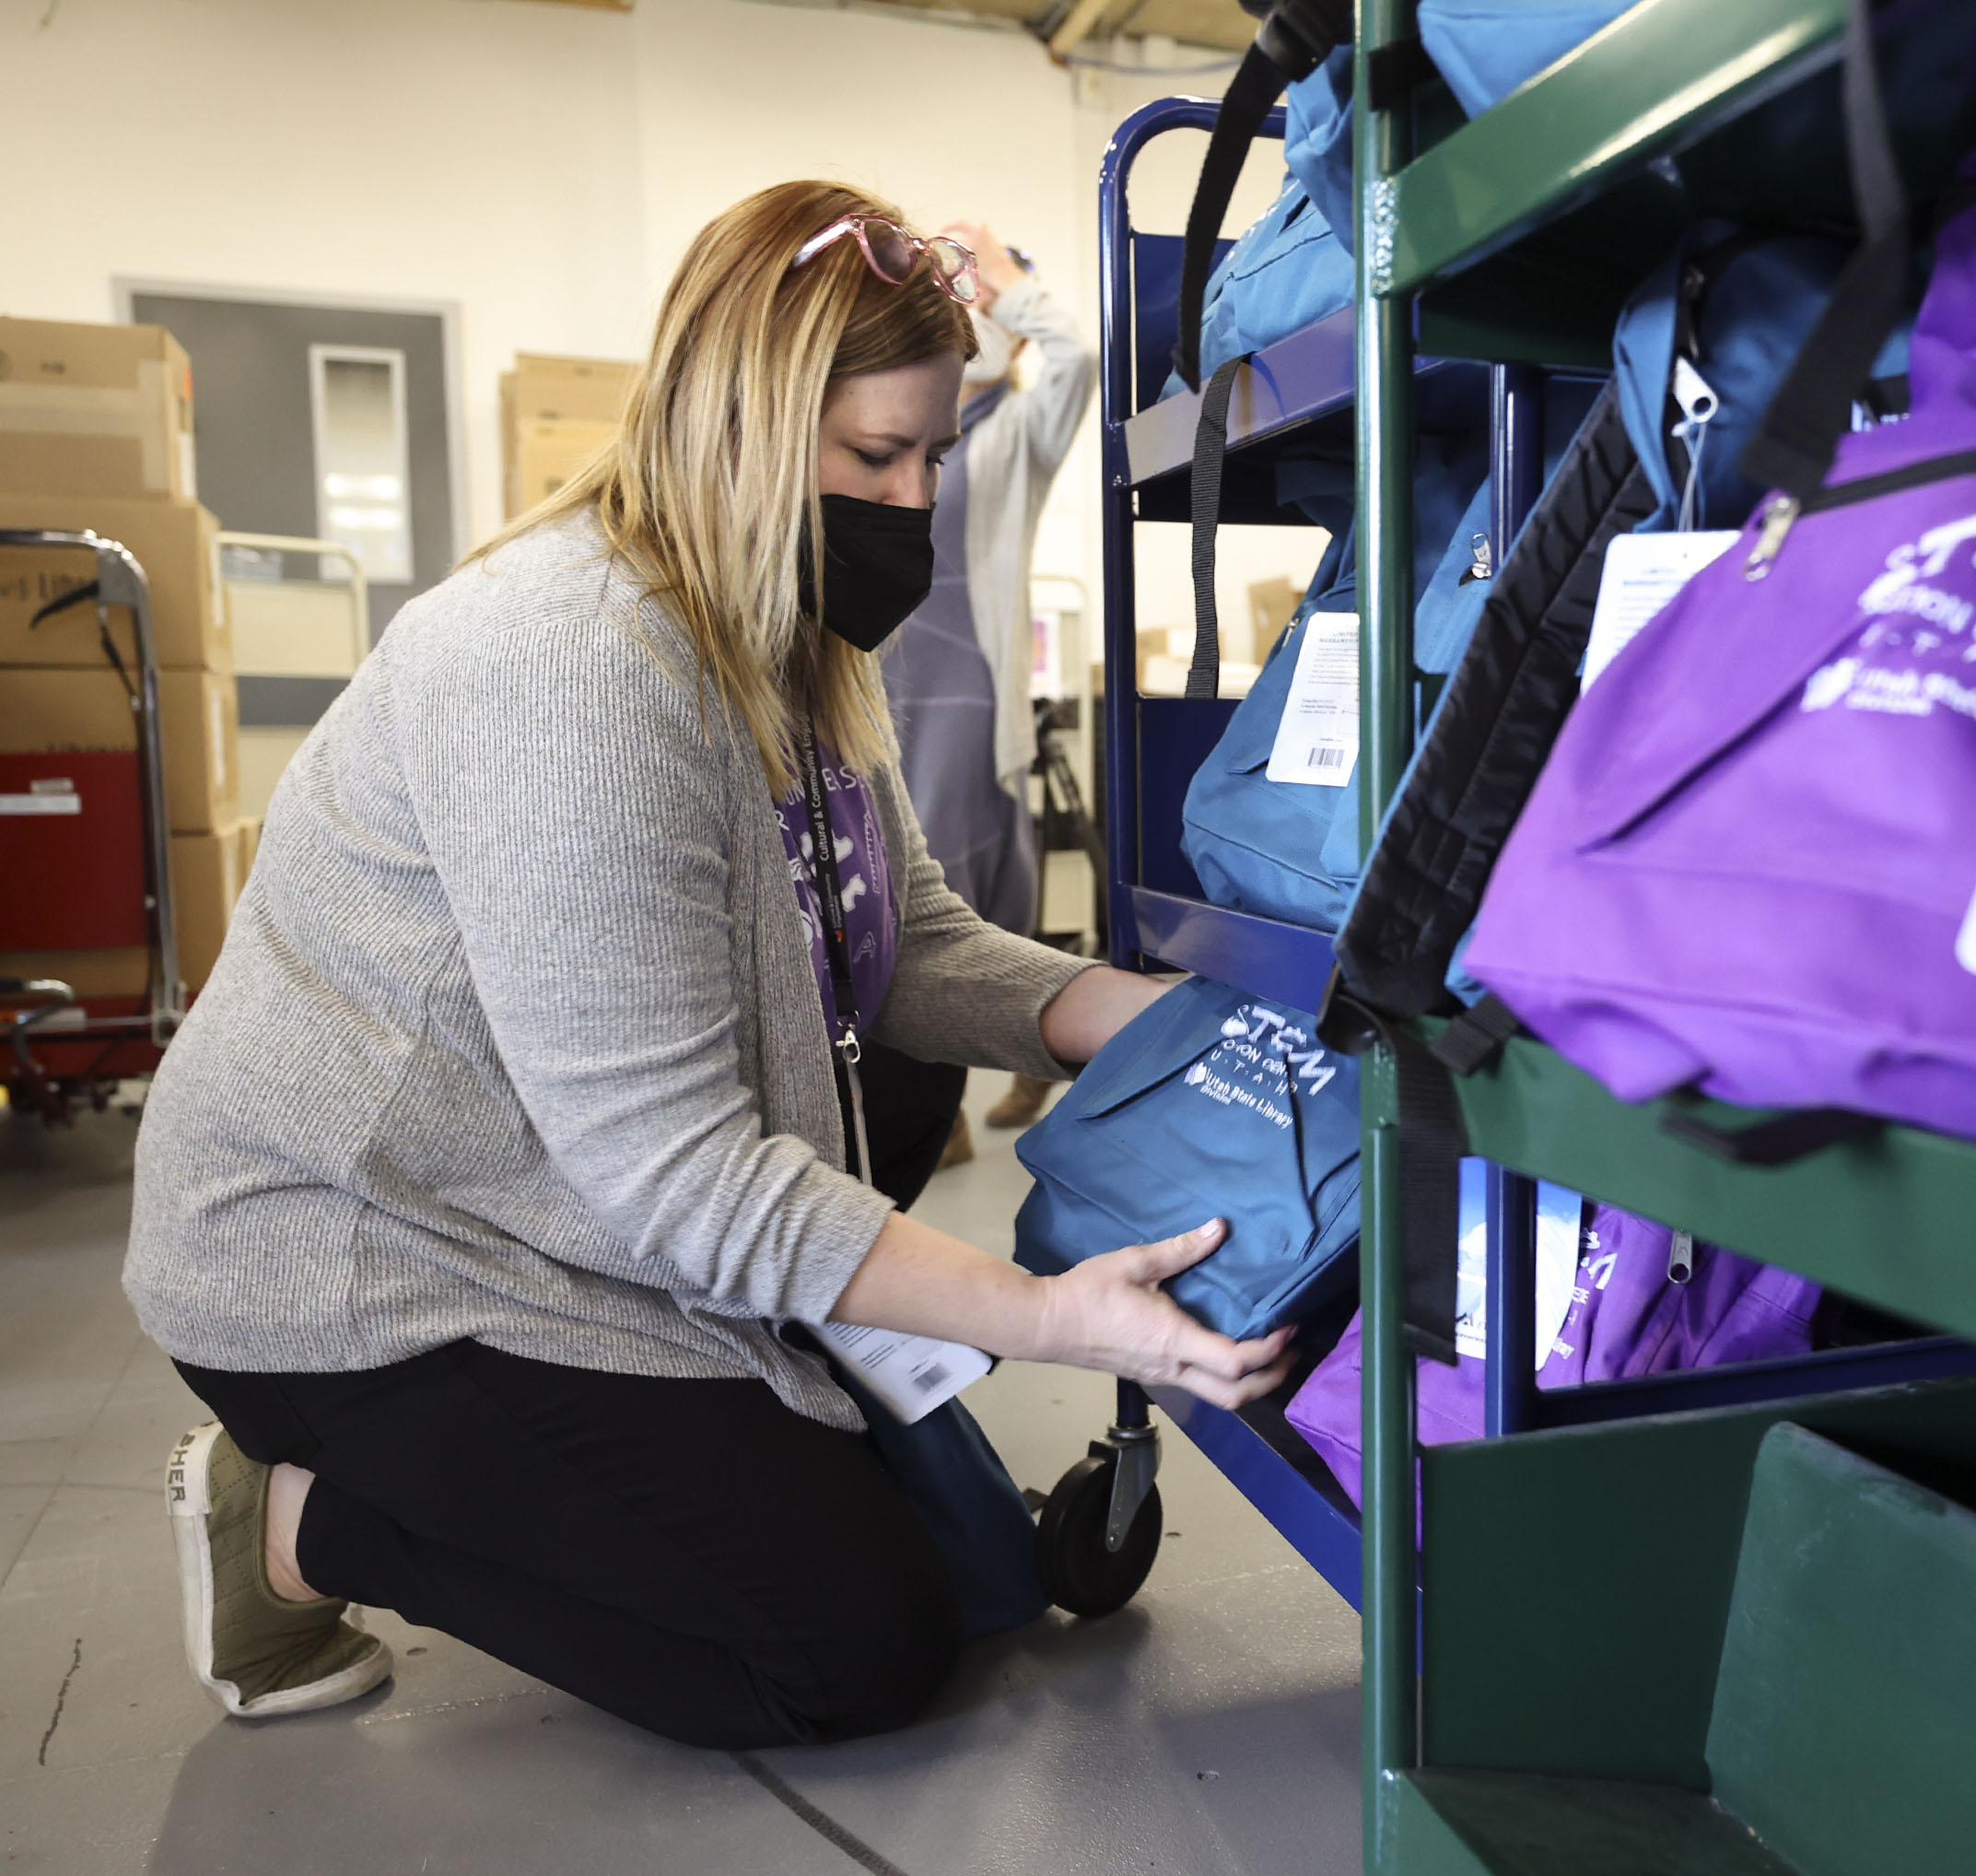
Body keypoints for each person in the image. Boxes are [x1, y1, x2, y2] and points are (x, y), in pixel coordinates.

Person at [123, 180, 1292, 1753]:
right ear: (733, 426)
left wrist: (1179, 1032)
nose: (916, 503)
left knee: (972, 1577)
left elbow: (907, 944)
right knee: (846, 1647)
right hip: (364, 1249)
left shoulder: (785, 641)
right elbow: (676, 1170)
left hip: (553, 1205)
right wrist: (1052, 1315)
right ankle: (292, 1518)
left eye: (935, 455)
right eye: (878, 457)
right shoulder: (568, 670)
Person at [871, 222, 1091, 1167]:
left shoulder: (1012, 429)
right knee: (891, 873)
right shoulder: (895, 418)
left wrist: (1007, 285)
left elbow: (1081, 353)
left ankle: (948, 1092)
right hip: (886, 674)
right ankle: (987, 1059)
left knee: (949, 874)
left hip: (968, 676)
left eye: (981, 297)